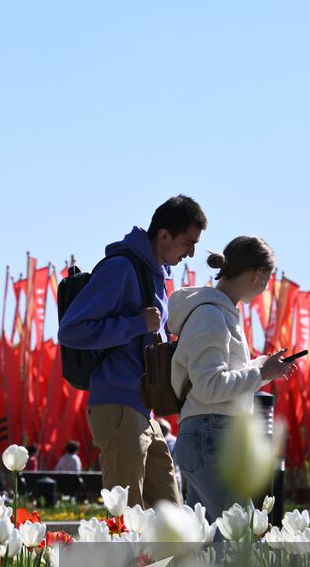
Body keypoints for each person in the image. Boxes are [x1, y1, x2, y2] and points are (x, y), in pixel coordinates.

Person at [59, 195, 206, 508]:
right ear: (164, 235)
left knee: (171, 519)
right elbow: (71, 330)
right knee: (128, 521)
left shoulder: (157, 274)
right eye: (188, 243)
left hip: (145, 410)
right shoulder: (121, 268)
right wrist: (135, 324)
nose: (191, 253)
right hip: (117, 405)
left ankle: (166, 561)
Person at [167, 236, 296, 520]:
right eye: (267, 280)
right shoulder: (211, 316)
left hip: (207, 434)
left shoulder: (218, 313)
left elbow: (216, 381)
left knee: (207, 539)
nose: (265, 287)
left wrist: (263, 368)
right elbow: (211, 386)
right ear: (257, 275)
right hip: (210, 435)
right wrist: (262, 372)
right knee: (241, 531)